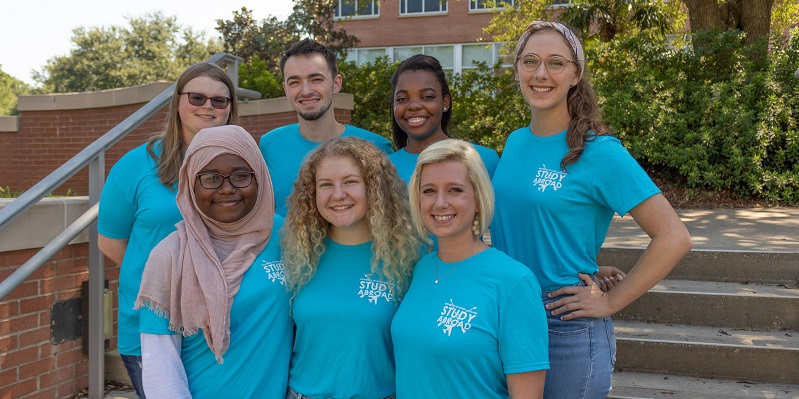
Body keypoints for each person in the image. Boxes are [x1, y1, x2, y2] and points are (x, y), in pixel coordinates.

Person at [491, 21, 692, 398]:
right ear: (516, 68)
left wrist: (611, 301)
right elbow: (530, 227)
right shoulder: (515, 141)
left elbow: (674, 238)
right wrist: (577, 260)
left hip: (564, 325)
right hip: (507, 317)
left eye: (556, 63)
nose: (540, 74)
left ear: (575, 74)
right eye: (530, 61)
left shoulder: (599, 151)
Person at [97, 62, 238, 399]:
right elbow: (110, 243)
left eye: (220, 101)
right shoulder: (135, 165)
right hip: (151, 324)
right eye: (197, 97)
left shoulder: (240, 163)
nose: (208, 107)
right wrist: (165, 277)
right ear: (177, 102)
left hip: (219, 323)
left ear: (231, 109)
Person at [134, 125, 291, 398]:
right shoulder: (170, 254)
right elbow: (160, 366)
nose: (227, 188)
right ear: (191, 185)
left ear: (260, 178)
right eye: (210, 178)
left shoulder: (287, 237)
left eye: (241, 176)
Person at [392, 139, 548, 399]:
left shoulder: (514, 281)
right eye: (429, 190)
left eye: (455, 190)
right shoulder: (421, 268)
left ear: (478, 198)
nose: (440, 203)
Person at [281, 137, 421, 399]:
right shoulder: (296, 253)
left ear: (375, 187)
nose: (338, 194)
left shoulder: (410, 258)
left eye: (350, 181)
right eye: (325, 185)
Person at [260, 38, 393, 216]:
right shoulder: (270, 145)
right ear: (285, 89)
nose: (306, 90)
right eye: (294, 82)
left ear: (336, 83)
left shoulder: (375, 147)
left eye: (316, 79)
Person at [388, 54, 499, 183]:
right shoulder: (383, 169)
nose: (414, 106)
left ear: (445, 102)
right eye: (402, 99)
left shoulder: (483, 159)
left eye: (427, 96)